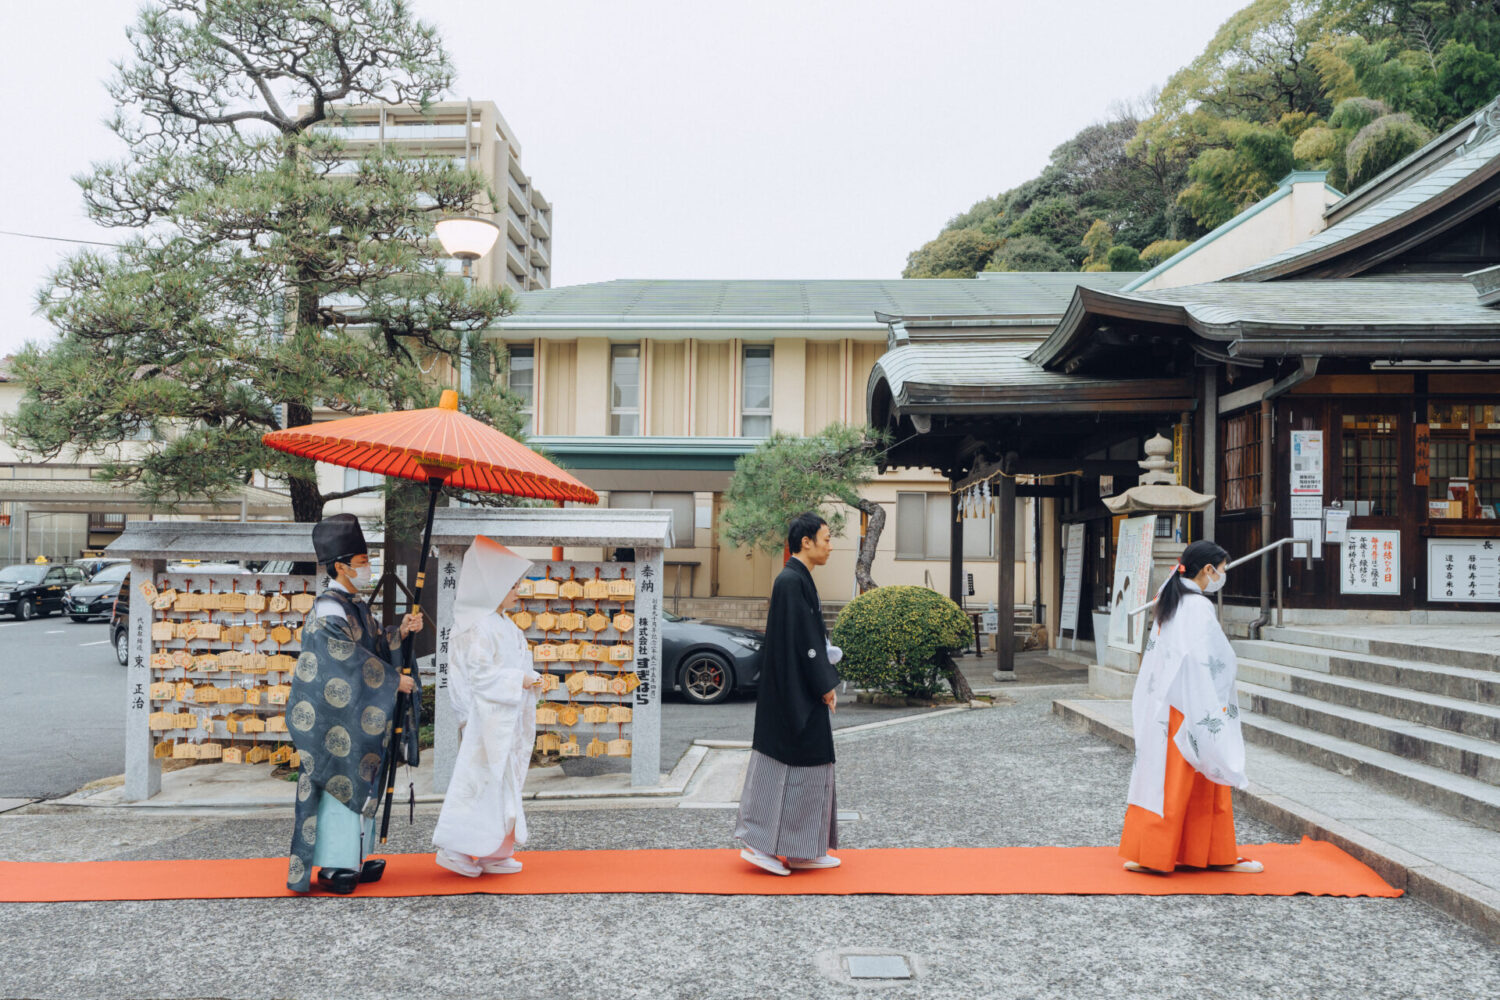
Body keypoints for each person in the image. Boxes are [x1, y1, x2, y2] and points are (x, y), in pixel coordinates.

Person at [286, 514, 424, 894]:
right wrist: (394, 680)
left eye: (367, 561)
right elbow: (343, 661)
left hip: (350, 714)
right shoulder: (330, 609)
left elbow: (375, 645)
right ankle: (333, 865)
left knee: (358, 780)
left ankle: (355, 857)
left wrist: (402, 633)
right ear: (340, 566)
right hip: (331, 720)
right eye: (362, 562)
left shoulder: (353, 605)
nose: (368, 568)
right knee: (335, 785)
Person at [1119, 539, 1259, 875]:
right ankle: (1212, 853)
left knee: (1165, 782)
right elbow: (1212, 659)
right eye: (1221, 570)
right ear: (1208, 570)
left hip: (1170, 705)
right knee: (1203, 780)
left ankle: (1153, 851)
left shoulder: (1173, 600)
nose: (1223, 576)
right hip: (1192, 704)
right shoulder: (1197, 606)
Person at [735, 512, 843, 876]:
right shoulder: (790, 580)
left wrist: (823, 674)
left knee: (812, 766)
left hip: (797, 691)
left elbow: (810, 641)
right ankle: (759, 845)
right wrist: (825, 683)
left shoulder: (796, 578)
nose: (831, 546)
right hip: (791, 694)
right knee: (779, 766)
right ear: (806, 542)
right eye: (826, 538)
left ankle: (801, 849)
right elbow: (806, 644)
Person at [432, 536, 545, 877]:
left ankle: (496, 849)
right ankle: (456, 848)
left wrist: (530, 678)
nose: (517, 591)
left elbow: (512, 666)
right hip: (484, 716)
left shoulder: (502, 624)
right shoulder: (476, 625)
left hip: (502, 714)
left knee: (501, 782)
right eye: (512, 585)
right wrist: (519, 681)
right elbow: (479, 674)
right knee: (478, 781)